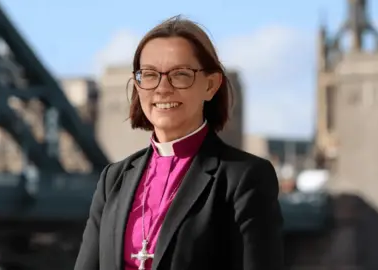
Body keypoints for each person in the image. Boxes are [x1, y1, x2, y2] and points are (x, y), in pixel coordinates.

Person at [74, 15, 284, 270]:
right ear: (138, 86)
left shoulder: (244, 178)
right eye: (149, 75)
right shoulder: (113, 180)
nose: (163, 88)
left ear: (211, 85)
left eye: (180, 74)